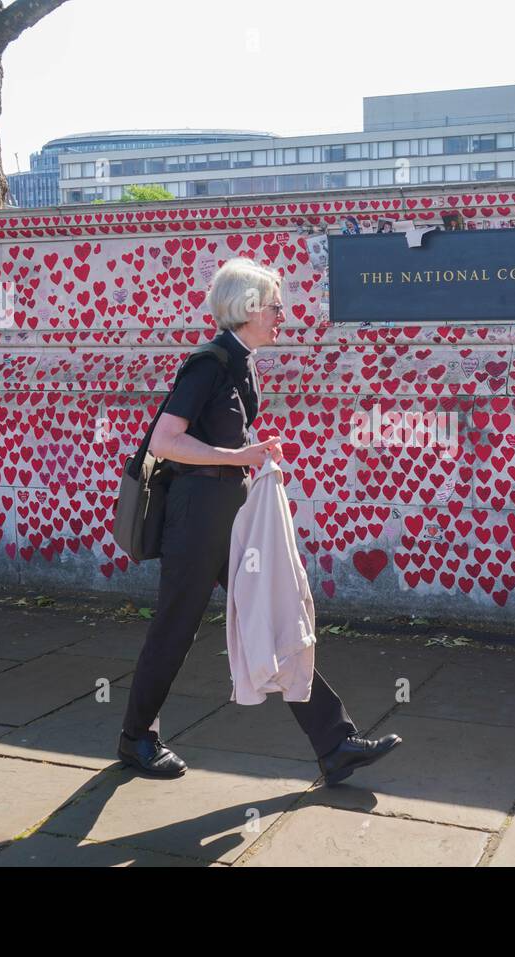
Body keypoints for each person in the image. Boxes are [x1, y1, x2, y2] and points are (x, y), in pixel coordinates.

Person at [118, 257, 402, 785]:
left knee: (272, 615)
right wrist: (237, 458)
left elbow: (221, 439)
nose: (283, 315)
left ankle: (335, 744)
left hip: (231, 516)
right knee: (174, 629)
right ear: (248, 308)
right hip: (196, 520)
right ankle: (137, 738)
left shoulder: (241, 359)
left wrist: (250, 455)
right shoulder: (210, 363)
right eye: (275, 305)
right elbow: (165, 440)